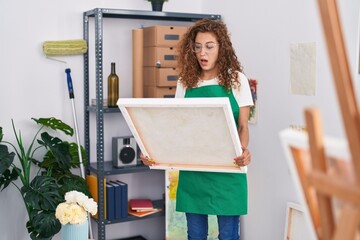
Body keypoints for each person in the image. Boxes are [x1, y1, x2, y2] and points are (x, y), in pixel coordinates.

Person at [141, 18, 253, 240]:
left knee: (229, 236)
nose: (203, 53)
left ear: (222, 48)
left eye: (210, 46)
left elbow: (243, 125)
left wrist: (243, 150)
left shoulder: (237, 80)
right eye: (198, 46)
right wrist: (153, 153)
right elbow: (177, 129)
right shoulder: (186, 82)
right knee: (195, 235)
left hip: (227, 171)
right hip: (195, 172)